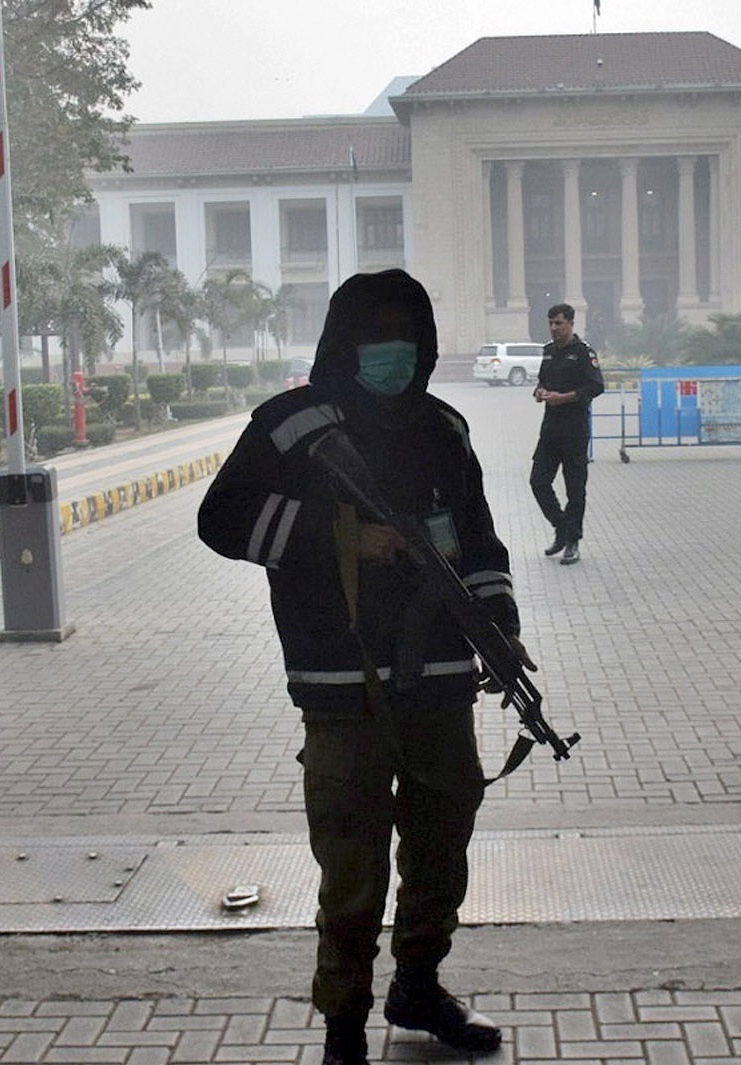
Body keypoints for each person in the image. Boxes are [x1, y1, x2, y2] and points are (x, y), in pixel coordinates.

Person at [198, 269, 530, 1065]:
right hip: (341, 687)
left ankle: (417, 983)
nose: (395, 349)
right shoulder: (290, 425)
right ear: (345, 339)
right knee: (350, 869)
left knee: (440, 847)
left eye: (408, 331)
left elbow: (478, 543)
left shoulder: (442, 429)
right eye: (376, 332)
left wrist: (500, 627)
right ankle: (342, 1020)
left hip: (440, 680)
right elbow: (222, 519)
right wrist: (340, 537)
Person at [529, 303, 604, 565]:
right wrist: (539, 392)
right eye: (550, 323)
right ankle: (561, 526)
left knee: (575, 489)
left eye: (558, 323)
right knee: (538, 482)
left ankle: (572, 541)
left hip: (574, 430)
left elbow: (596, 386)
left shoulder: (583, 352)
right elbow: (541, 381)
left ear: (571, 323)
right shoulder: (548, 352)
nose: (553, 328)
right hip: (550, 430)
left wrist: (567, 398)